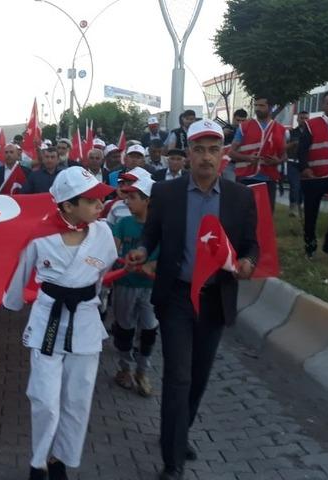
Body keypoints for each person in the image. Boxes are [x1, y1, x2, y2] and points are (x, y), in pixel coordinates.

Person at [127, 120, 258, 480]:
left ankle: (177, 432)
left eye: (213, 149)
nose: (206, 157)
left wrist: (248, 262)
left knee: (199, 377)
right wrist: (142, 251)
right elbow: (151, 234)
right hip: (177, 298)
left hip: (215, 298)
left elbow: (251, 244)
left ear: (222, 155)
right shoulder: (166, 193)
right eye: (199, 149)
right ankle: (173, 463)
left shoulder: (240, 197)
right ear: (188, 154)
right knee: (178, 377)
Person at [4, 167, 117, 480]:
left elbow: (101, 276)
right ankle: (38, 460)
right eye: (91, 200)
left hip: (85, 321)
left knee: (77, 398)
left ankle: (60, 459)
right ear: (67, 205)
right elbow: (20, 276)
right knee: (45, 399)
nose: (100, 205)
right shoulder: (40, 237)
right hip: (48, 321)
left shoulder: (103, 235)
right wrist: (13, 302)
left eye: (100, 199)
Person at [110, 176, 159, 397]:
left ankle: (142, 371)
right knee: (125, 328)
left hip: (151, 287)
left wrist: (153, 266)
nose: (127, 202)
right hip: (126, 284)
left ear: (147, 200)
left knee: (149, 328)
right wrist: (120, 264)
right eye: (127, 197)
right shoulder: (123, 224)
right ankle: (125, 369)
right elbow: (113, 252)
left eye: (133, 198)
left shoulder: (160, 227)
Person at [229, 97, 287, 210]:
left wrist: (278, 161)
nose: (257, 108)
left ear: (270, 107)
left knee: (265, 215)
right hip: (245, 178)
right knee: (243, 214)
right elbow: (231, 153)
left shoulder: (280, 129)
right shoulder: (244, 127)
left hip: (269, 179)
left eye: (261, 106)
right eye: (256, 105)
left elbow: (284, 155)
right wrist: (247, 158)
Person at [297, 90, 328, 258]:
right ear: (323, 105)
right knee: (311, 213)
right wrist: (305, 168)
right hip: (314, 176)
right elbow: (302, 149)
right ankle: (310, 245)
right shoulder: (312, 124)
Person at [286, 111, 310, 217]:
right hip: (292, 162)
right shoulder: (290, 132)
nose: (304, 120)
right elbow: (283, 147)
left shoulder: (311, 133)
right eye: (302, 118)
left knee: (303, 188)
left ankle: (300, 207)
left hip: (305, 164)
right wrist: (293, 144)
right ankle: (293, 207)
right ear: (297, 119)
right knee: (294, 185)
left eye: (306, 118)